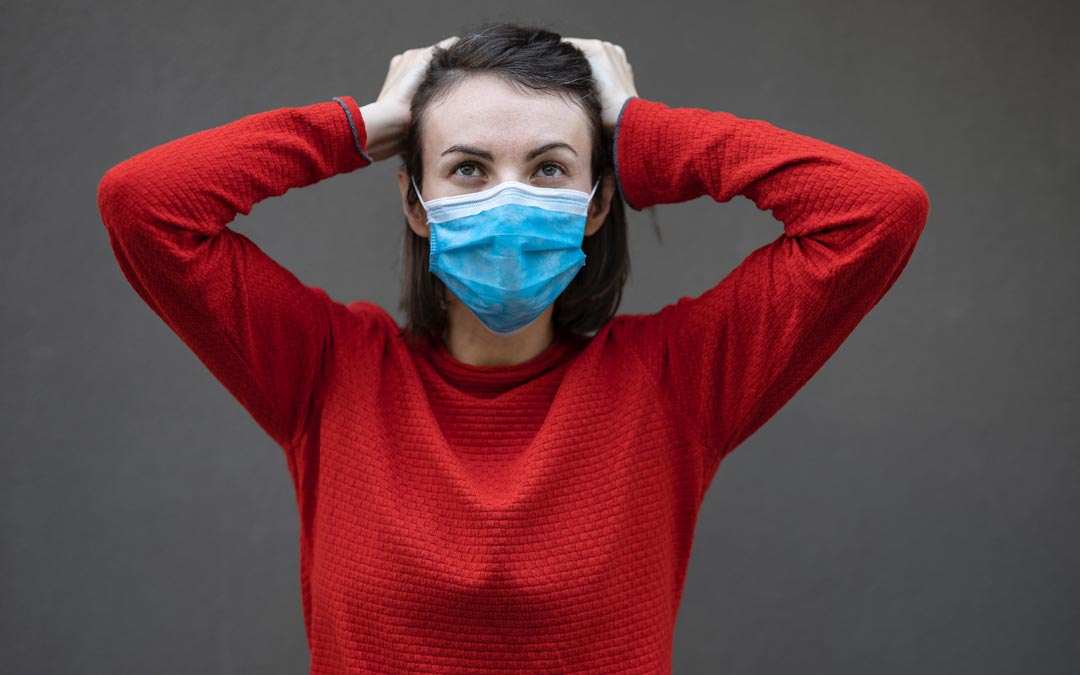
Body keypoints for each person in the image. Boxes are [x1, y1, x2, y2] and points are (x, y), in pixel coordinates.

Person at [96, 22, 929, 675]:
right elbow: (144, 205)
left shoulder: (674, 383)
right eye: (466, 168)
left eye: (548, 168)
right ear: (416, 204)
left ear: (598, 204)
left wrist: (642, 130)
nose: (507, 199)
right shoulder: (327, 372)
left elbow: (874, 212)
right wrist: (358, 126)